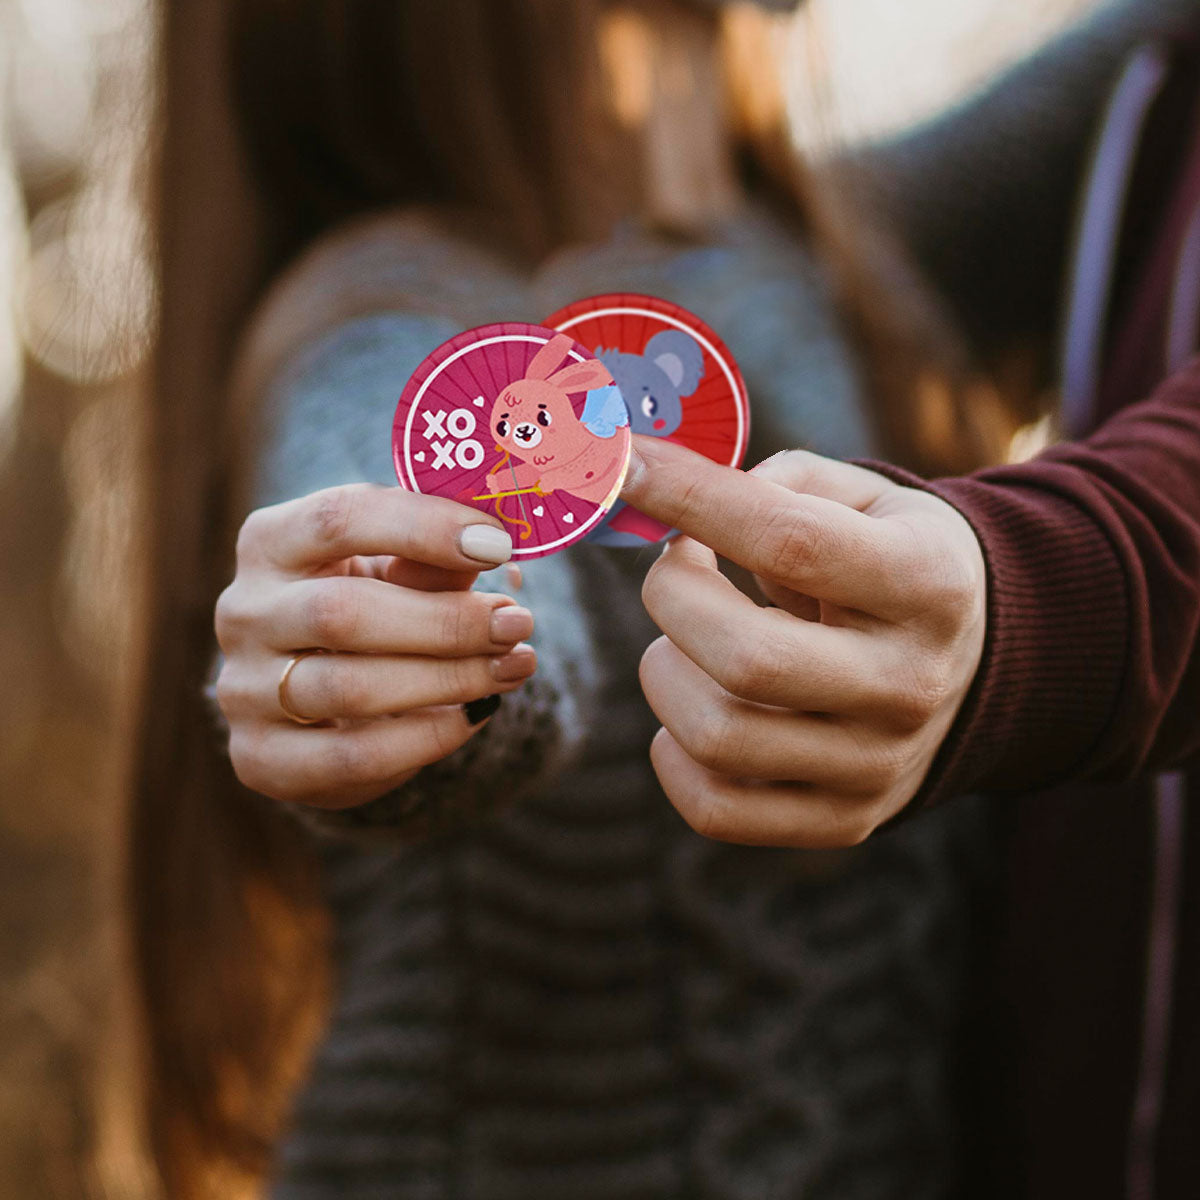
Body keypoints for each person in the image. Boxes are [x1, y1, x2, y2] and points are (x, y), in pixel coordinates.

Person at [128, 1, 1195, 1198]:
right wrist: (415, 644)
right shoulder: (389, 312)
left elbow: (1129, 53)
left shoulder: (827, 251)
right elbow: (424, 513)